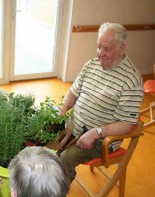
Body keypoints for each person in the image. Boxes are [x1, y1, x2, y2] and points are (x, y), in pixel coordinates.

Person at [59, 22, 144, 182]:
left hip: (100, 140)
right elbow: (73, 92)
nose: (100, 53)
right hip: (74, 126)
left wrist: (96, 132)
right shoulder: (91, 65)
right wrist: (63, 108)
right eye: (99, 47)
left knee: (65, 159)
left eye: (107, 49)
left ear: (122, 48)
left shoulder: (131, 81)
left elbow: (126, 124)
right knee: (43, 137)